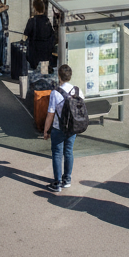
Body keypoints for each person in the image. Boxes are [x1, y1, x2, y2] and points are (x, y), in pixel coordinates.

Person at [42, 63, 79, 192]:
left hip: (58, 128)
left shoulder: (55, 93)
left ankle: (57, 183)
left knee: (57, 154)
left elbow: (50, 114)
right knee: (68, 152)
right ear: (70, 76)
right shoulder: (77, 91)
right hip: (72, 128)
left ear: (59, 76)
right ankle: (67, 180)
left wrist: (46, 130)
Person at [22, 0, 56, 70]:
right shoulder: (47, 20)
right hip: (45, 52)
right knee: (43, 71)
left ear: (35, 9)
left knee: (34, 71)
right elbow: (51, 34)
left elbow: (25, 36)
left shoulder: (32, 21)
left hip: (35, 52)